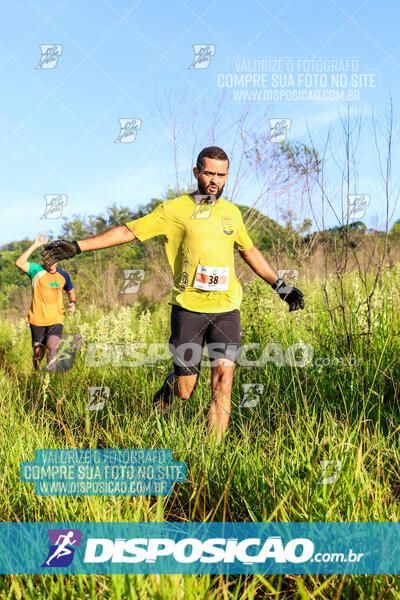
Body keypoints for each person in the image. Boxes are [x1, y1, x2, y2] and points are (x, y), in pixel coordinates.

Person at [42, 146, 304, 440]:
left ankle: (212, 453)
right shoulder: (174, 210)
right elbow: (129, 231)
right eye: (208, 173)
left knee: (224, 381)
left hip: (227, 308)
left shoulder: (232, 213)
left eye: (221, 174)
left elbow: (249, 250)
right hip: (189, 310)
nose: (214, 180)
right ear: (196, 173)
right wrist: (78, 246)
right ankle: (169, 387)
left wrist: (280, 286)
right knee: (184, 390)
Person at [15, 234, 76, 372]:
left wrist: (73, 302)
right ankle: (36, 372)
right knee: (38, 353)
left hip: (56, 318)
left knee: (52, 347)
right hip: (37, 319)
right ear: (44, 260)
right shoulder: (36, 270)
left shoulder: (63, 275)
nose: (52, 264)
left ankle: (50, 378)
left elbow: (71, 290)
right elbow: (19, 263)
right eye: (49, 261)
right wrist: (35, 245)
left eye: (54, 261)